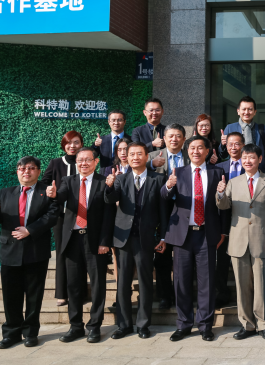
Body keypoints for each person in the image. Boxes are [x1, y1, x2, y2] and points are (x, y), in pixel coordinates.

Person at [161, 135, 228, 342]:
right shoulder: (177, 172)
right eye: (192, 148)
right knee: (181, 281)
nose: (196, 151)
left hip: (207, 234)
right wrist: (168, 186)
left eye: (200, 148)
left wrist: (223, 230)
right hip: (182, 234)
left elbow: (223, 205)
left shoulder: (218, 172)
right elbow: (164, 197)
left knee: (206, 281)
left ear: (207, 151)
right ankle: (183, 324)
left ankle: (205, 325)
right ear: (187, 151)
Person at [0, 156, 59, 349]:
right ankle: (11, 334)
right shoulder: (5, 193)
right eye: (22, 168)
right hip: (9, 251)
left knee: (34, 296)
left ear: (38, 171)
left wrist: (30, 230)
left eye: (31, 168)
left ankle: (30, 333)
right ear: (17, 171)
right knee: (10, 295)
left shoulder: (47, 192)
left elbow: (53, 215)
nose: (26, 171)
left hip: (35, 251)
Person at [216, 144, 265, 341]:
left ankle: (264, 325)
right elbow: (224, 206)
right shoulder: (233, 182)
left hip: (262, 240)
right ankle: (247, 324)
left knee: (262, 285)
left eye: (252, 157)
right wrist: (220, 193)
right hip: (238, 241)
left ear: (260, 159)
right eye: (244, 158)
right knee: (242, 286)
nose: (247, 161)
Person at [49, 147, 115, 343]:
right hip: (73, 240)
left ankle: (94, 326)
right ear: (76, 162)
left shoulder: (103, 182)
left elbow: (108, 215)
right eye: (80, 160)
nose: (83, 163)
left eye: (87, 160)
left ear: (95, 162)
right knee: (74, 286)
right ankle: (75, 326)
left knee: (98, 285)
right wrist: (53, 194)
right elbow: (60, 197)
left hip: (95, 242)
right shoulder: (68, 181)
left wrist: (105, 242)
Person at [103, 141, 168, 340]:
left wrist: (163, 236)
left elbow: (163, 210)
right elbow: (110, 199)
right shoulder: (121, 179)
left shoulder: (158, 179)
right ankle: (123, 325)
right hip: (123, 239)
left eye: (139, 154)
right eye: (131, 154)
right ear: (127, 158)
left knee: (146, 282)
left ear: (147, 157)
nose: (135, 157)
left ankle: (143, 324)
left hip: (146, 239)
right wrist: (109, 186)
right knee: (123, 283)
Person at [148, 123, 190, 310]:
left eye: (178, 136)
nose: (174, 139)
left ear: (184, 139)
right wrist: (151, 164)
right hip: (160, 210)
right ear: (164, 138)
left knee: (185, 256)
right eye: (170, 136)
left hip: (185, 209)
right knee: (162, 257)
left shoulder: (191, 156)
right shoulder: (152, 157)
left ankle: (183, 295)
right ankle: (164, 296)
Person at [41, 130, 82, 307]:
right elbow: (44, 183)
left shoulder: (85, 161)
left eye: (76, 142)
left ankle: (79, 291)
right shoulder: (56, 163)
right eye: (68, 143)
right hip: (61, 215)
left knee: (80, 252)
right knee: (61, 252)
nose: (72, 146)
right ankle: (62, 293)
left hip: (82, 214)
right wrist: (49, 191)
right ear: (63, 145)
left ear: (81, 144)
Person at [214, 132, 247, 308]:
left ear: (243, 145)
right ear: (226, 147)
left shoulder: (251, 166)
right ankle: (222, 293)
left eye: (237, 144)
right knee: (222, 258)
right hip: (223, 219)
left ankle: (246, 295)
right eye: (230, 144)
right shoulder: (218, 167)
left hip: (245, 217)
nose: (233, 147)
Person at [219, 96, 265, 175]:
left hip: (259, 173)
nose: (246, 112)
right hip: (236, 172)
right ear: (238, 111)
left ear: (255, 112)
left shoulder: (264, 130)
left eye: (250, 109)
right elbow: (222, 155)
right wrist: (223, 145)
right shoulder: (230, 128)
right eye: (244, 109)